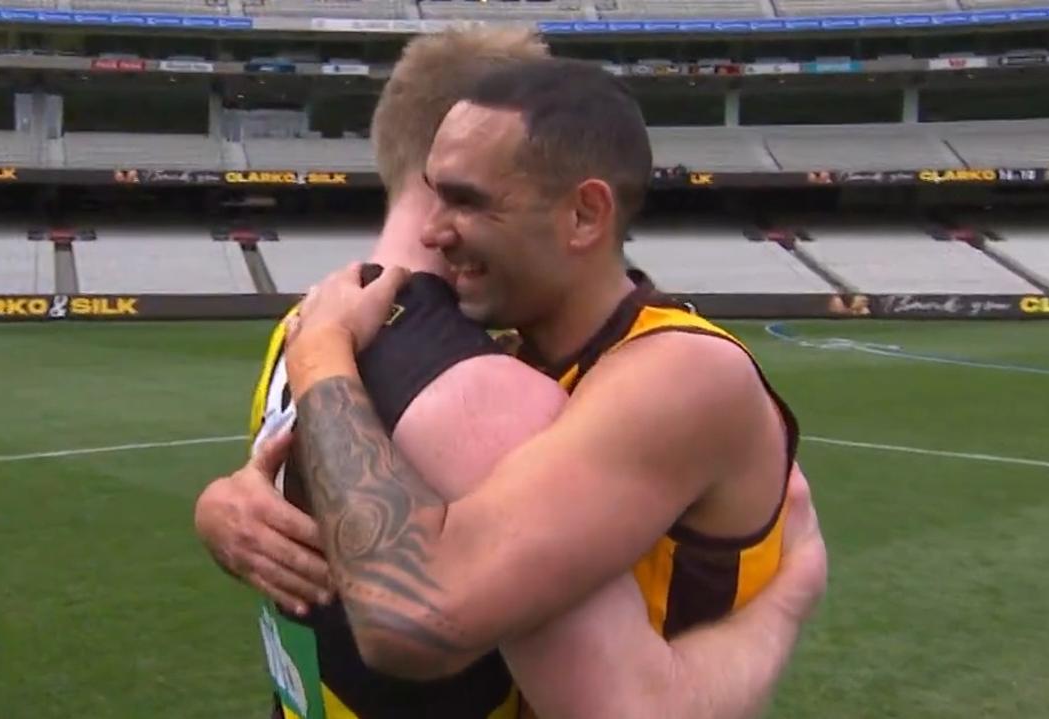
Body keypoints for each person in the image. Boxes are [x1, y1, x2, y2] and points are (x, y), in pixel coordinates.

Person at [197, 32, 826, 719]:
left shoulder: (680, 374)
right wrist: (228, 505)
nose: (433, 233)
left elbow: (415, 615)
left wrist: (787, 605)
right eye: (435, 195)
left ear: (584, 214)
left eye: (467, 201)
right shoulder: (511, 355)